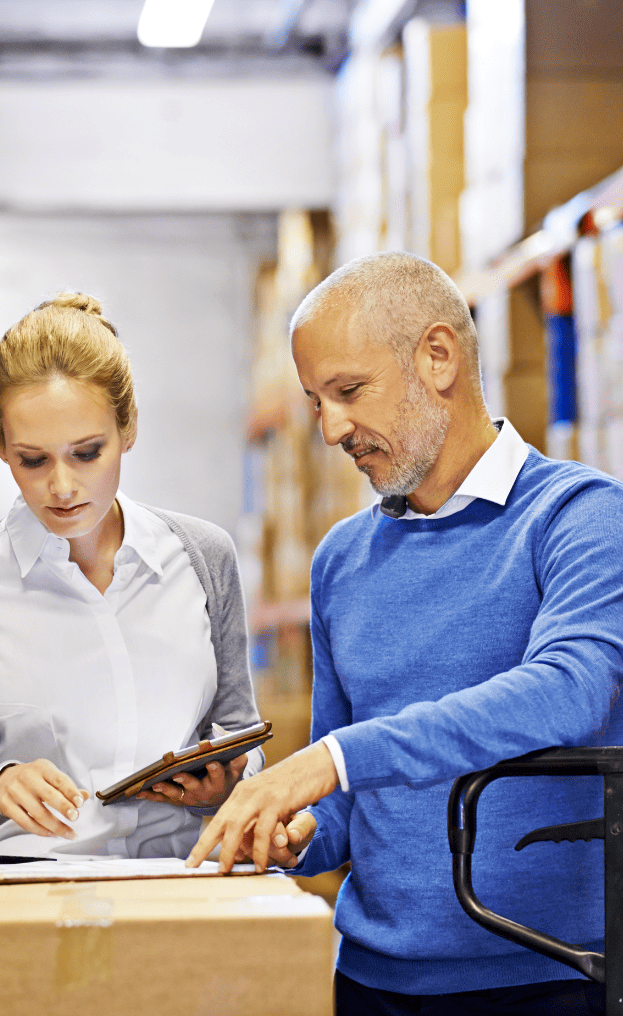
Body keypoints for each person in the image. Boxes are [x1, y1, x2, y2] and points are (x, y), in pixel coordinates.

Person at [188, 252, 621, 1014]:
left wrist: (334, 760)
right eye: (316, 401)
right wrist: (289, 827)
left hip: (546, 980)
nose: (330, 429)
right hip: (371, 984)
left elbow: (570, 691)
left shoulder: (578, 519)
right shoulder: (343, 561)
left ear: (439, 357)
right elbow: (349, 810)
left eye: (348, 392)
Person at [0, 291, 262, 859]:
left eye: (87, 453)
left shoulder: (204, 559)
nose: (62, 487)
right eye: (32, 460)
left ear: (129, 428)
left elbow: (243, 736)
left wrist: (228, 779)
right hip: (29, 908)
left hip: (184, 895)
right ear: (0, 447)